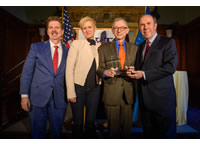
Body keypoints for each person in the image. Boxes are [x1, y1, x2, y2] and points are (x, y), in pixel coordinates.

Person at [127, 14, 178, 138]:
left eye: (148, 23)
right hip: (145, 102)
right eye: (142, 25)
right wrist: (134, 70)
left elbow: (170, 67)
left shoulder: (167, 43)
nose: (145, 27)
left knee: (165, 136)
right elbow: (142, 68)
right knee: (149, 135)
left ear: (155, 25)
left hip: (162, 101)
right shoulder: (140, 47)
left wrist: (144, 74)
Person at [20, 16, 68, 138]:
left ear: (62, 31)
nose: (54, 30)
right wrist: (24, 95)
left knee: (57, 134)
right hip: (37, 98)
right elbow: (27, 72)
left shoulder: (69, 51)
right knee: (37, 133)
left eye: (57, 27)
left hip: (59, 98)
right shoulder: (36, 47)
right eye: (51, 27)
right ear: (47, 31)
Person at [97, 18, 138, 138]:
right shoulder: (103, 48)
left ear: (127, 30)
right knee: (112, 132)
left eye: (122, 28)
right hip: (111, 93)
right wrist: (105, 72)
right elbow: (98, 69)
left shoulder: (135, 49)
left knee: (127, 131)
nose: (119, 30)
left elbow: (140, 68)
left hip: (129, 94)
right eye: (116, 28)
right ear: (112, 30)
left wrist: (133, 70)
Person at [65, 16, 101, 138]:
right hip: (78, 88)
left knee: (90, 122)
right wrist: (70, 92)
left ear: (95, 28)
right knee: (78, 123)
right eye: (84, 28)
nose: (87, 30)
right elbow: (69, 69)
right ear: (81, 30)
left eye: (89, 27)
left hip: (95, 89)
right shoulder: (76, 44)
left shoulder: (101, 46)